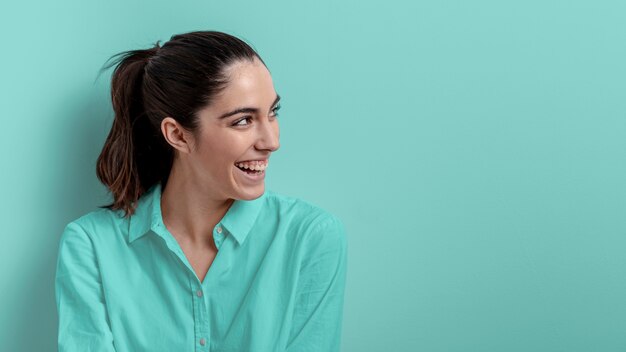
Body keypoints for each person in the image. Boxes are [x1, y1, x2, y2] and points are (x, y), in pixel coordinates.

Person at [54, 30, 348, 352]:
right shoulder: (90, 247)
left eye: (272, 113)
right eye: (243, 121)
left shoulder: (310, 238)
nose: (271, 142)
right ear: (178, 135)